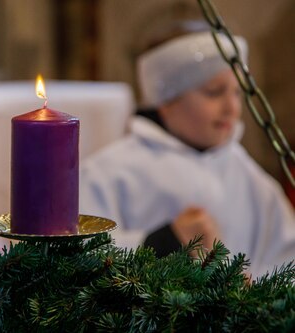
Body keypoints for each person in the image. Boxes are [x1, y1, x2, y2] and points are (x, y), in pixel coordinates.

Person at [79, 20, 295, 278]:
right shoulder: (109, 173)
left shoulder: (254, 180)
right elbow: (79, 256)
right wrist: (165, 241)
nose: (232, 108)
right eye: (214, 92)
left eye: (237, 93)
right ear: (166, 101)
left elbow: (286, 262)